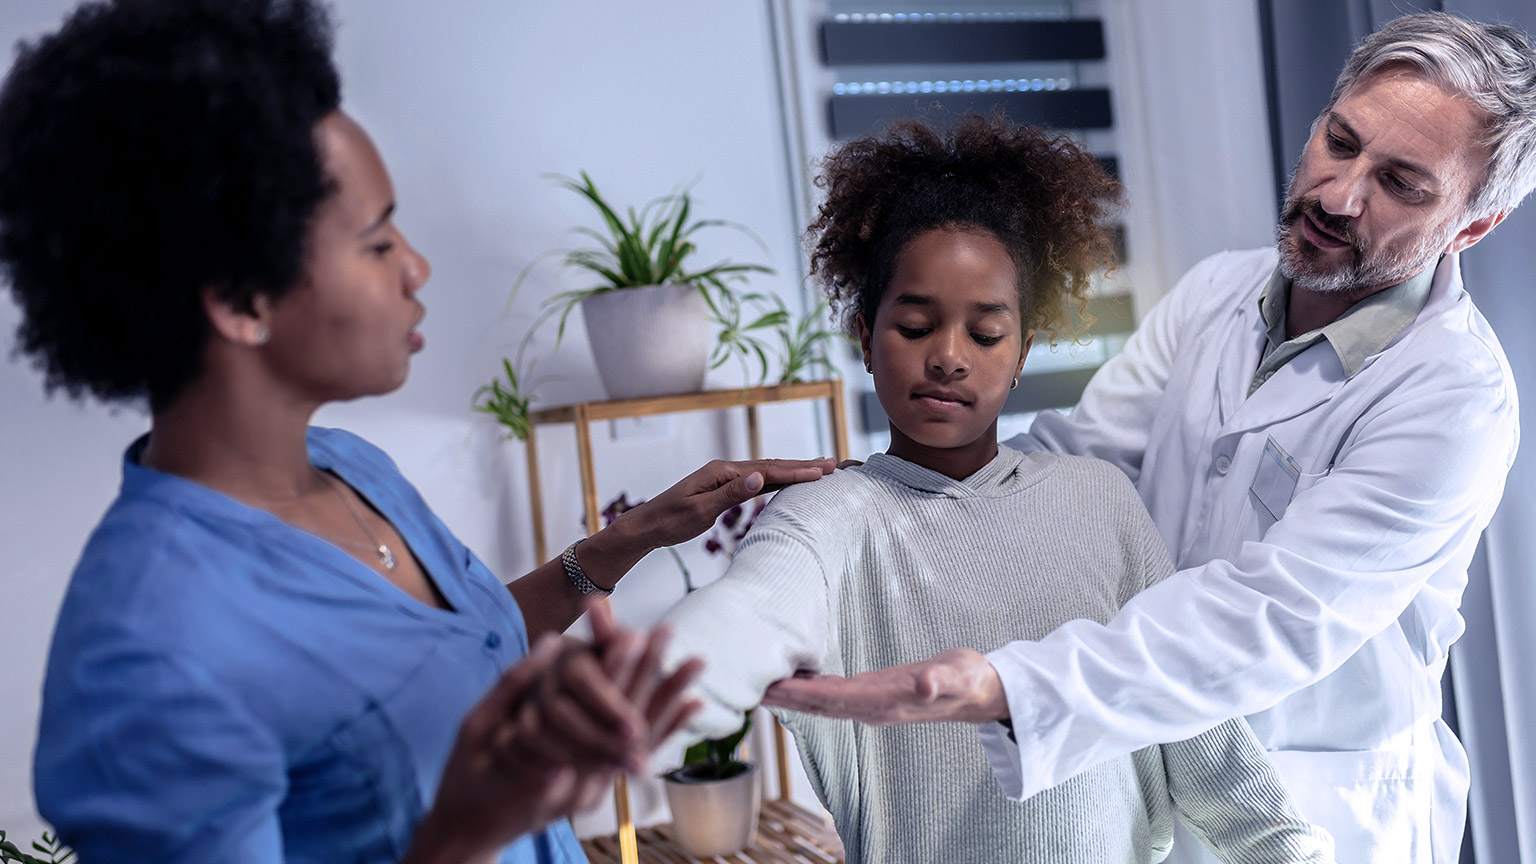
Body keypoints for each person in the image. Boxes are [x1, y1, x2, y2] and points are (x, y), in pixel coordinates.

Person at [0, 1, 833, 862]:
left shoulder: (351, 467)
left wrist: (635, 538)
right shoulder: (145, 652)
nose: (416, 267)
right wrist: (466, 831)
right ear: (243, 301)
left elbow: (457, 650)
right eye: (374, 240)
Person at [764, 12, 1532, 864]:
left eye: (1402, 184)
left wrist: (1010, 685)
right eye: (1340, 141)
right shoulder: (1217, 294)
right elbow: (1075, 466)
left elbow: (1267, 616)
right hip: (1158, 787)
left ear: (1472, 226)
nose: (1337, 195)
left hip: (1319, 807)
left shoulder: (1452, 399)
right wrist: (873, 498)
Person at [660, 115, 1334, 864]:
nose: (949, 357)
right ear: (863, 334)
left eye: (984, 336)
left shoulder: (1098, 501)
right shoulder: (825, 521)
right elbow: (739, 619)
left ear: (1021, 355)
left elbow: (1204, 744)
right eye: (915, 327)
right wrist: (646, 693)